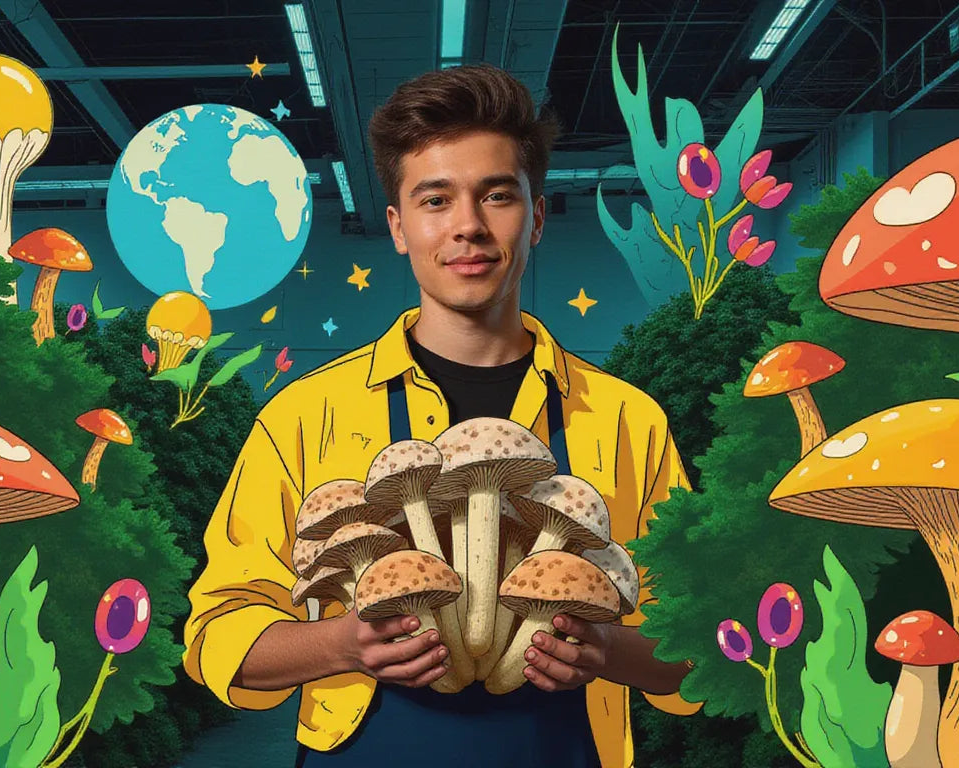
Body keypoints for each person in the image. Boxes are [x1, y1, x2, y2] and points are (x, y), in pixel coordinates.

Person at [183, 63, 700, 768]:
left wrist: (608, 651)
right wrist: (343, 644)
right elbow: (217, 635)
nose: (468, 226)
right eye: (436, 200)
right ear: (397, 227)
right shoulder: (304, 415)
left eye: (497, 196)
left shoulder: (626, 419)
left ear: (537, 216)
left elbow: (700, 646)